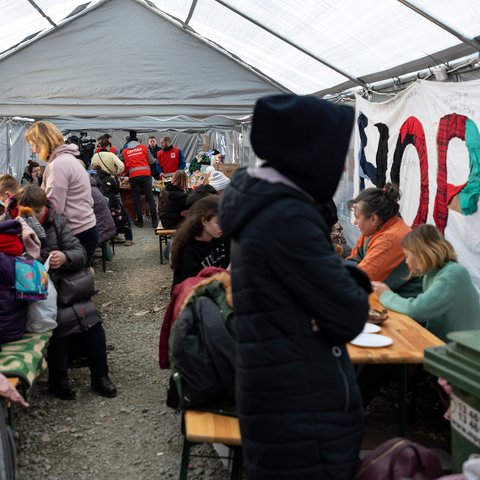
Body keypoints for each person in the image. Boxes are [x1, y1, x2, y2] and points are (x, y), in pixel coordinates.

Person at [218, 94, 371, 480]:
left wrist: (332, 288)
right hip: (300, 402)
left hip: (279, 387)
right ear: (310, 153)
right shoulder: (286, 215)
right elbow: (349, 312)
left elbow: (327, 298)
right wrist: (350, 280)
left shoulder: (263, 203)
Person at [17, 185, 117, 400]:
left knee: (92, 321)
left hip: (63, 286)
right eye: (29, 212)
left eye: (38, 211)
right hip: (34, 293)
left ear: (45, 207)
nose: (34, 217)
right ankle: (58, 379)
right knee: (62, 321)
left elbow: (79, 251)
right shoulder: (14, 226)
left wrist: (65, 257)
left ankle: (100, 376)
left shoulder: (56, 221)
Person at [372, 224, 480, 342]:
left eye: (407, 256)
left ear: (421, 253)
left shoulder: (452, 274)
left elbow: (417, 309)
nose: (407, 261)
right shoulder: (431, 274)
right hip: (443, 344)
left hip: (461, 352)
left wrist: (386, 294)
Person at [25, 121, 99, 266]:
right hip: (84, 228)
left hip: (76, 232)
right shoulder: (68, 159)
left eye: (34, 144)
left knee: (70, 284)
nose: (33, 149)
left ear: (43, 142)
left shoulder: (58, 165)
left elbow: (54, 207)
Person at [347, 183, 423, 298]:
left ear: (373, 219)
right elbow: (353, 260)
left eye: (357, 217)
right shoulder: (375, 230)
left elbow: (357, 281)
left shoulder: (391, 239)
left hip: (410, 305)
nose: (355, 222)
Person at [170, 195, 229, 288]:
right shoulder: (188, 251)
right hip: (192, 296)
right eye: (218, 222)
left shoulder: (221, 235)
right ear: (204, 221)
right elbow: (195, 290)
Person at [121, 130, 158, 228]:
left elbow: (119, 163)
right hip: (146, 175)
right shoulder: (144, 148)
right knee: (149, 197)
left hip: (134, 177)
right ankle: (154, 221)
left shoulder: (125, 151)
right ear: (137, 140)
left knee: (136, 199)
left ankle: (140, 222)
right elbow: (151, 161)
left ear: (128, 142)